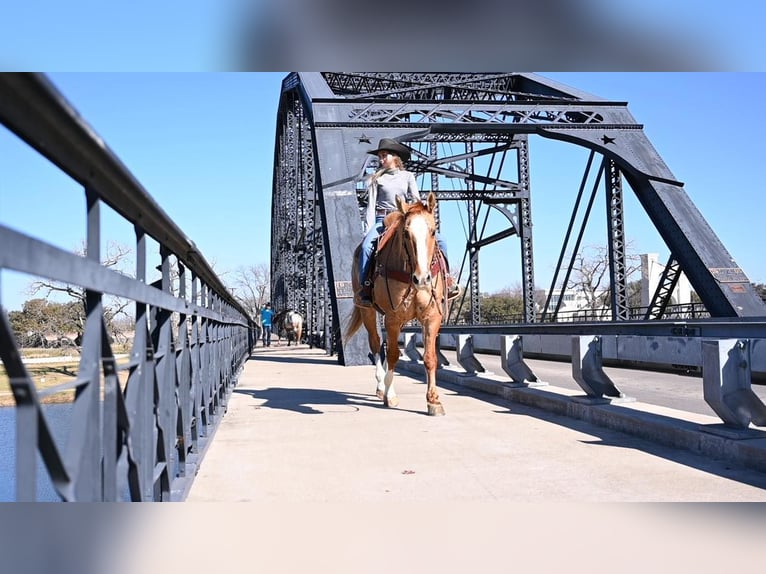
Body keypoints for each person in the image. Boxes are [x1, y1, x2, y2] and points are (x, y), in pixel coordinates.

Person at [357, 137, 459, 307]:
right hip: (384, 220)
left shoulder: (408, 176)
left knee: (442, 241)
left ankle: (447, 280)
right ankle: (365, 287)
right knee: (367, 246)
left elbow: (416, 199)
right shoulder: (376, 179)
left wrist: (424, 214)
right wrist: (368, 229)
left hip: (405, 218)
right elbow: (370, 206)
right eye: (380, 156)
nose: (381, 159)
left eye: (384, 155)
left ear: (395, 156)